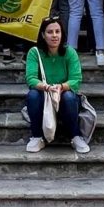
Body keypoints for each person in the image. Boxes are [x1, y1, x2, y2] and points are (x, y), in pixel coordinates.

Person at [24, 17, 89, 154]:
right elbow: (31, 79)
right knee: (32, 95)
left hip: (63, 94)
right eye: (50, 32)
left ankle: (75, 136)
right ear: (43, 34)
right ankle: (37, 137)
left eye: (57, 31)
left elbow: (76, 80)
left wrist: (60, 87)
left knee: (70, 97)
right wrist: (47, 87)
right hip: (44, 94)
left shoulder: (70, 52)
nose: (54, 35)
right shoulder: (34, 52)